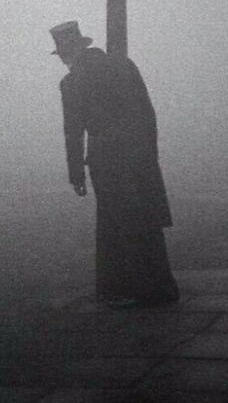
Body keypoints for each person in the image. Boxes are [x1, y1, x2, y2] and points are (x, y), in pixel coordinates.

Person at [50, 20, 179, 308]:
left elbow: (73, 131)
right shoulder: (124, 65)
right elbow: (147, 111)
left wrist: (76, 173)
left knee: (122, 224)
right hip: (140, 154)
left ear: (67, 52)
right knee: (147, 221)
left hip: (106, 159)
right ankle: (160, 286)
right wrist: (148, 150)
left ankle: (141, 291)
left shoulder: (72, 83)